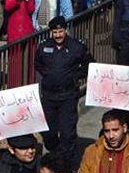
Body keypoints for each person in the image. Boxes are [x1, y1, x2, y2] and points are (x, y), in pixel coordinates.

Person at [35, 16, 92, 161]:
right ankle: (57, 152)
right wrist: (48, 75)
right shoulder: (43, 46)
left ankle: (67, 163)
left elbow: (89, 65)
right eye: (55, 32)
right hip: (49, 96)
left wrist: (75, 76)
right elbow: (38, 64)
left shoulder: (76, 47)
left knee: (67, 133)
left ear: (65, 30)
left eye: (60, 31)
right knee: (48, 133)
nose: (58, 35)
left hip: (68, 95)